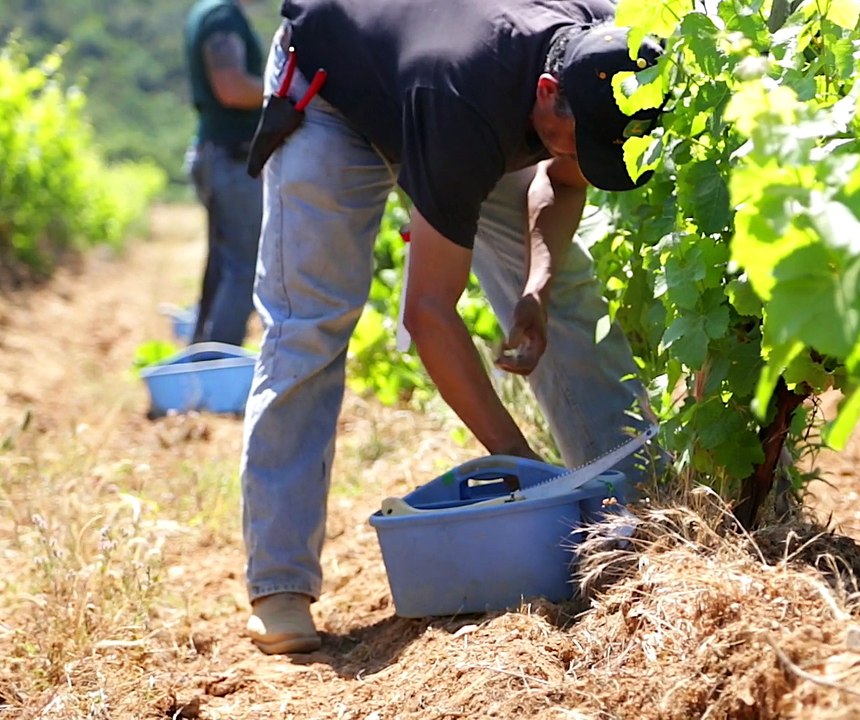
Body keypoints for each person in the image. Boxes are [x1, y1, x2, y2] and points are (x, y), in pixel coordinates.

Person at [240, 0, 666, 654]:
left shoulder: (599, 45)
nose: (587, 158)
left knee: (570, 295)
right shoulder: (463, 103)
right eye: (579, 140)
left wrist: (536, 288)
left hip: (459, 91)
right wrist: (525, 474)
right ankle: (280, 584)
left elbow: (566, 177)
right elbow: (430, 315)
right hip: (337, 91)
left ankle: (642, 517)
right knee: (312, 324)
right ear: (549, 94)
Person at [182, 0, 265, 346]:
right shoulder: (222, 17)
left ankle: (203, 356)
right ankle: (218, 362)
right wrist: (291, 94)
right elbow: (231, 88)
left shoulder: (209, 11)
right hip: (230, 159)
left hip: (218, 155)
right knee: (244, 269)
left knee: (224, 266)